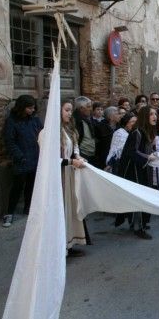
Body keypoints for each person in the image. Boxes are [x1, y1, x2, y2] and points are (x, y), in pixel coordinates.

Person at [118, 106, 158, 239]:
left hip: (143, 169)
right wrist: (147, 157)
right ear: (145, 116)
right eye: (151, 114)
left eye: (155, 114)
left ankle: (140, 223)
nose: (154, 116)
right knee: (139, 197)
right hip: (134, 170)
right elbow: (131, 152)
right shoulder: (137, 132)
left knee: (144, 196)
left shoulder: (147, 131)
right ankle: (137, 227)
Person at [3, 95, 43, 227]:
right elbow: (10, 141)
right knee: (17, 187)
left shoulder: (35, 120)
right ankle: (9, 213)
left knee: (31, 186)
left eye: (33, 107)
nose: (32, 110)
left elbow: (43, 134)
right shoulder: (12, 121)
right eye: (29, 108)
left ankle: (28, 208)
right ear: (21, 107)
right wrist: (19, 156)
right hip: (21, 160)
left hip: (35, 157)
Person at [59, 100, 88, 256]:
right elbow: (48, 161)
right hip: (58, 178)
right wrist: (72, 161)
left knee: (70, 210)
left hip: (69, 174)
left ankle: (68, 244)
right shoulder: (48, 133)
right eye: (67, 110)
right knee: (60, 210)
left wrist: (77, 156)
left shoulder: (68, 130)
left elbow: (73, 148)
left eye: (71, 110)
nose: (70, 113)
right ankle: (59, 247)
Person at [73, 96, 96, 165]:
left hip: (91, 153)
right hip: (82, 154)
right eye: (88, 107)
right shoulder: (75, 121)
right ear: (81, 108)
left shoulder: (88, 119)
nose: (91, 109)